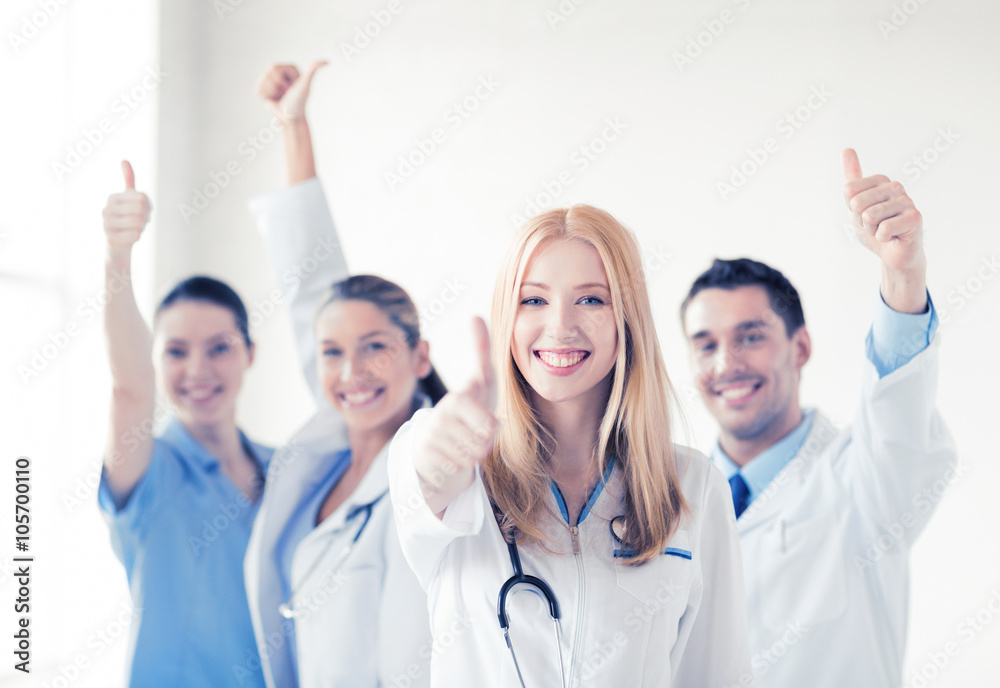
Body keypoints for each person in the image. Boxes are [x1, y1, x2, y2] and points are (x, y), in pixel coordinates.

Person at [388, 204, 752, 687]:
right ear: (507, 318)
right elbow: (429, 471)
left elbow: (717, 675)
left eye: (591, 300)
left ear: (628, 318)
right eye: (533, 300)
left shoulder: (694, 485)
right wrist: (443, 446)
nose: (560, 326)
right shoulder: (457, 466)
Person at [679, 149, 957, 687]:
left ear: (800, 347)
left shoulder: (864, 481)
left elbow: (899, 421)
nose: (725, 364)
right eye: (705, 343)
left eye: (750, 337)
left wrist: (903, 277)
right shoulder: (668, 499)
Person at [243, 62, 443, 688]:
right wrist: (292, 126)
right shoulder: (326, 455)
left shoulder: (436, 476)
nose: (351, 371)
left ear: (420, 357)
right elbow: (308, 288)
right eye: (332, 352)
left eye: (375, 346)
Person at [98, 162, 270, 687]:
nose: (198, 371)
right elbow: (130, 389)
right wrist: (117, 257)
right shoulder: (150, 468)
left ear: (250, 354)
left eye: (219, 348)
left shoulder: (286, 468)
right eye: (175, 352)